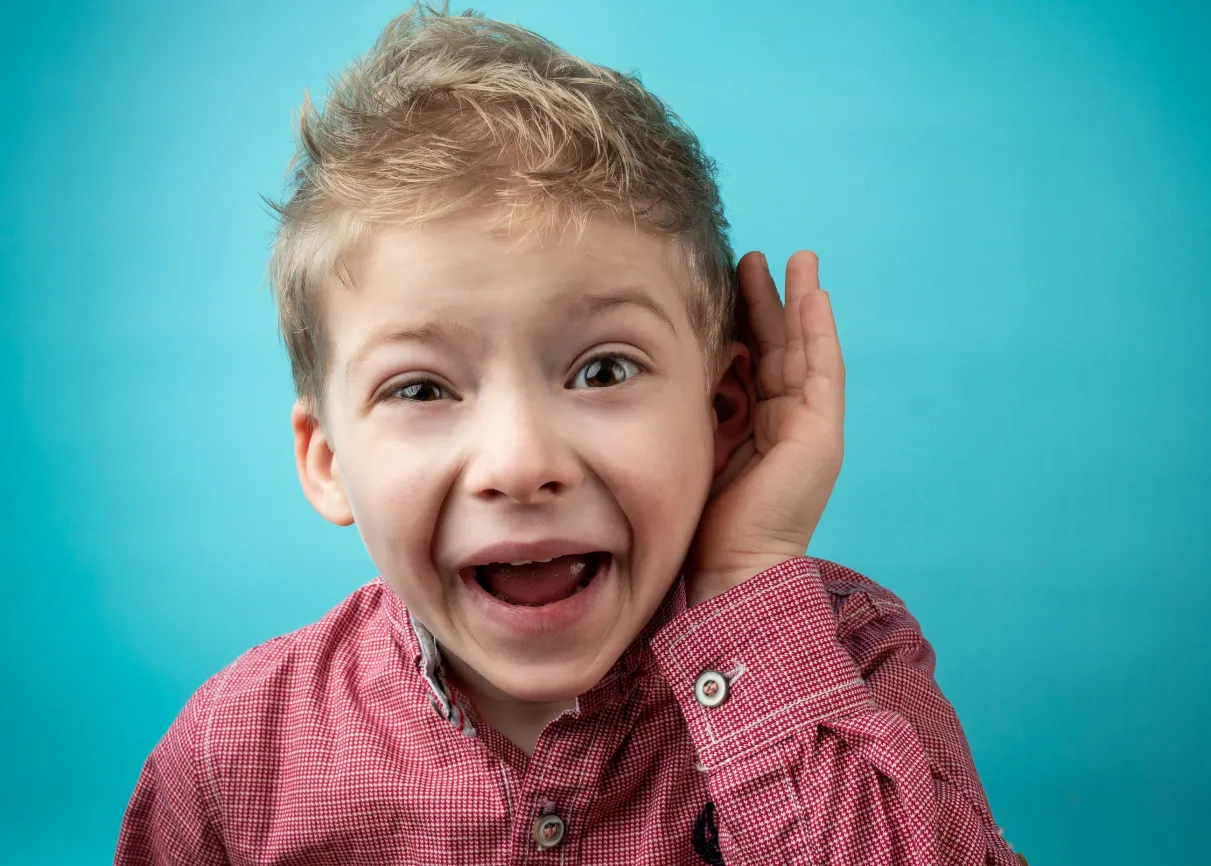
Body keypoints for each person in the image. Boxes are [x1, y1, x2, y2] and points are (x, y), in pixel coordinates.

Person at [115, 5, 1023, 864]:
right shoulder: (234, 756)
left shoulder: (845, 660)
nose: (521, 465)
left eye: (602, 371)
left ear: (722, 412)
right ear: (326, 460)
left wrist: (748, 580)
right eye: (423, 387)